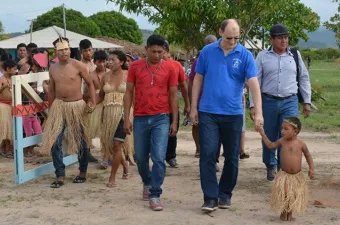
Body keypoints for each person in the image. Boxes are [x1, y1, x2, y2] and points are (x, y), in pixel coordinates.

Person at [190, 19, 263, 212]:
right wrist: (193, 107)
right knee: (207, 153)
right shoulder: (207, 52)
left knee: (232, 156)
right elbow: (198, 79)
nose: (233, 41)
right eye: (229, 37)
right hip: (208, 112)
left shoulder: (245, 55)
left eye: (236, 38)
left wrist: (258, 111)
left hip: (233, 113)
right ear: (220, 32)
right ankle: (210, 197)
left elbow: (254, 84)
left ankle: (225, 194)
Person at [249, 24, 312, 181]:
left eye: (285, 37)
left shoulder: (295, 56)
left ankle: (283, 167)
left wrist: (307, 102)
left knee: (289, 135)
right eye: (280, 37)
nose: (283, 40)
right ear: (271, 39)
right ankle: (270, 166)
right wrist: (253, 105)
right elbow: (254, 82)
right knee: (269, 134)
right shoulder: (262, 56)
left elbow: (304, 78)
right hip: (268, 101)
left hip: (290, 100)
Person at [124, 34, 178, 211]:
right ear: (146, 49)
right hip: (140, 117)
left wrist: (174, 121)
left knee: (159, 157)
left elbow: (173, 95)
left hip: (162, 117)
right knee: (140, 157)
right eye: (153, 51)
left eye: (160, 52)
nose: (156, 55)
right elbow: (129, 93)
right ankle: (147, 181)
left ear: (164, 51)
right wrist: (126, 117)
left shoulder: (170, 67)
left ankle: (155, 194)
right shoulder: (135, 67)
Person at [40, 37, 96, 188]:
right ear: (56, 52)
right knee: (54, 141)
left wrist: (93, 101)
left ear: (70, 49)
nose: (64, 52)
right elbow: (51, 90)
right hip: (58, 106)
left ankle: (82, 172)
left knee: (82, 140)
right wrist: (51, 110)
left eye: (66, 49)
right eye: (60, 49)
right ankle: (60, 175)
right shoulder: (52, 68)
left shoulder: (78, 65)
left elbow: (90, 84)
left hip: (76, 105)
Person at [259, 117, 315, 221]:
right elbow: (270, 146)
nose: (282, 131)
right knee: (284, 194)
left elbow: (308, 156)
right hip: (284, 175)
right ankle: (283, 212)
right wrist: (262, 134)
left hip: (296, 176)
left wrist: (311, 168)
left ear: (295, 131)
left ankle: (290, 213)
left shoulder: (301, 144)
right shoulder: (282, 141)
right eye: (282, 128)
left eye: (286, 129)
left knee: (292, 195)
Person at [97, 50, 130, 187]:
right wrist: (91, 106)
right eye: (108, 60)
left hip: (123, 113)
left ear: (121, 62)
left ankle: (112, 177)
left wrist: (130, 117)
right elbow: (100, 97)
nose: (109, 62)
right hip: (107, 114)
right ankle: (125, 165)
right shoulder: (105, 76)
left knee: (117, 145)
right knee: (111, 147)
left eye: (113, 60)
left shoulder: (128, 76)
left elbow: (134, 96)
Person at [188, 35, 217, 159]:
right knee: (196, 125)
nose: (211, 44)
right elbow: (191, 81)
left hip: (215, 101)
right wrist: (190, 102)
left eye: (213, 42)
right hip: (200, 99)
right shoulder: (198, 60)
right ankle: (198, 148)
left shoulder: (221, 58)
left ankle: (211, 152)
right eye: (208, 42)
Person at [163, 41, 190, 168]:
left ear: (167, 52)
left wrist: (187, 103)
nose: (158, 55)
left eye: (161, 52)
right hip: (154, 107)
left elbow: (184, 86)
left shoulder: (176, 65)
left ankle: (171, 156)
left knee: (172, 132)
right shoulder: (148, 65)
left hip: (171, 106)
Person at [79, 39, 98, 163]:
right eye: (85, 50)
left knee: (91, 126)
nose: (88, 53)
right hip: (82, 98)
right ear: (81, 52)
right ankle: (85, 152)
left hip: (95, 97)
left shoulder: (95, 65)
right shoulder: (78, 65)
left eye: (89, 50)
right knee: (83, 127)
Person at [0, 59, 17, 158]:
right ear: (8, 69)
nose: (16, 71)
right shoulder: (1, 79)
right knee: (5, 129)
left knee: (11, 129)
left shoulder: (14, 78)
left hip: (12, 106)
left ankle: (7, 148)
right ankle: (6, 149)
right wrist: (3, 87)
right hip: (3, 106)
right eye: (14, 69)